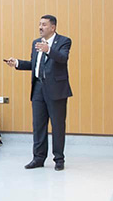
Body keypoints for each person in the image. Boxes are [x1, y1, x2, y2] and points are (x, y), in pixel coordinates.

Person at [5, 14, 72, 171]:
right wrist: (18, 63)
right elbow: (34, 65)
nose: (40, 27)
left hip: (56, 90)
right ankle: (38, 158)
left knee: (57, 125)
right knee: (38, 125)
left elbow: (63, 58)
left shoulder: (64, 41)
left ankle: (59, 159)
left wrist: (49, 50)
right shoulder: (36, 43)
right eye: (39, 24)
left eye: (44, 24)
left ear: (53, 27)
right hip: (38, 89)